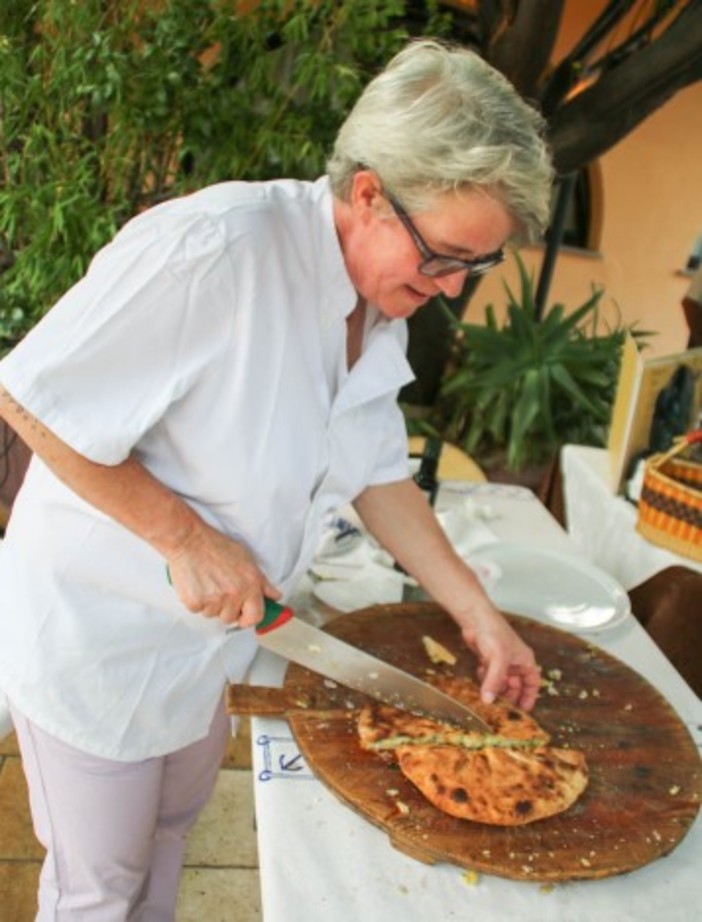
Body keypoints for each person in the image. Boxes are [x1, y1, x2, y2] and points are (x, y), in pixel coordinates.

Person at [0, 38, 553, 919]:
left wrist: (477, 614)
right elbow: (30, 397)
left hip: (207, 648)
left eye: (473, 267)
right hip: (97, 644)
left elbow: (376, 475)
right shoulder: (214, 251)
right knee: (97, 890)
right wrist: (182, 537)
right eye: (445, 256)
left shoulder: (381, 303)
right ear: (369, 194)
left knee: (173, 834)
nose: (451, 287)